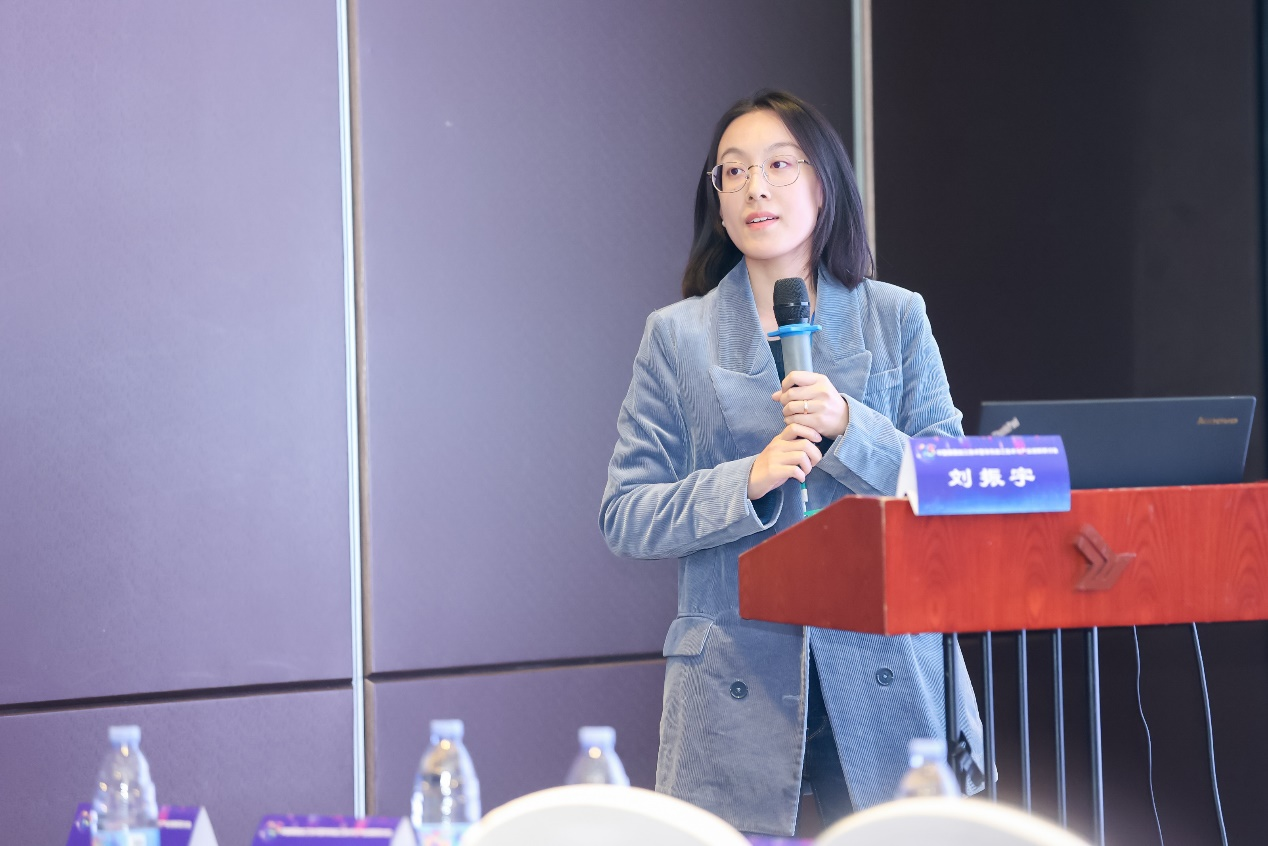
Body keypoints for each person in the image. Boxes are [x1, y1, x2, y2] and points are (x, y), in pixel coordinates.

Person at [599, 90, 984, 836]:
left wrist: (850, 427)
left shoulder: (894, 316)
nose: (756, 188)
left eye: (779, 165)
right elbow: (626, 513)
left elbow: (955, 481)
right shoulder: (676, 337)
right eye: (734, 171)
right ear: (717, 200)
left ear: (824, 184)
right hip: (732, 684)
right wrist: (747, 480)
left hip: (885, 672)